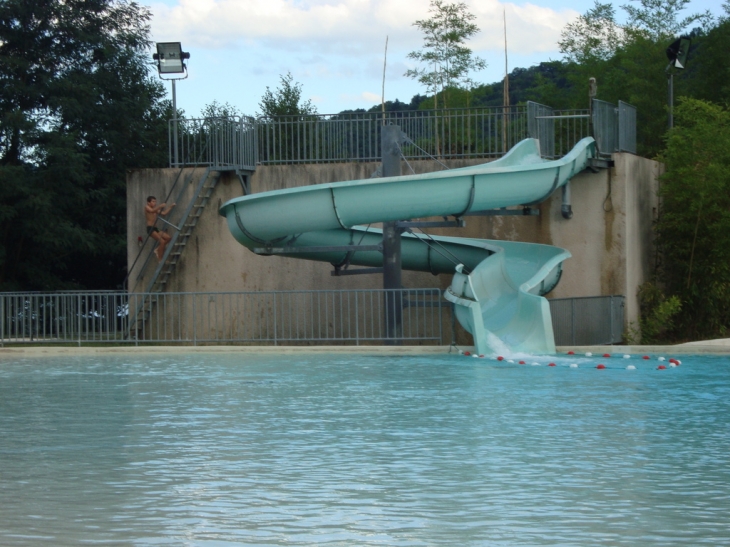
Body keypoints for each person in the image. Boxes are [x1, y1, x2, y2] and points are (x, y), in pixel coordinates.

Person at [145, 196, 175, 261]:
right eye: (153, 201)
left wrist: (171, 206)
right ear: (148, 202)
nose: (154, 203)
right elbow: (152, 210)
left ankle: (157, 249)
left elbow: (164, 213)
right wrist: (160, 206)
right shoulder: (147, 207)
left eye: (155, 201)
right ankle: (160, 259)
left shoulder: (155, 209)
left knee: (168, 238)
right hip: (150, 228)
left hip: (155, 228)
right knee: (162, 241)